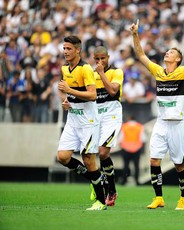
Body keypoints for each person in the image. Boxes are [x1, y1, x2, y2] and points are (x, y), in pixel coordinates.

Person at [130, 20, 184, 210]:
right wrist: (135, 34)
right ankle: (159, 198)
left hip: (177, 124)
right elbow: (140, 54)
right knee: (154, 160)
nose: (167, 53)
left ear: (178, 59)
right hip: (161, 123)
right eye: (167, 51)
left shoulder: (183, 72)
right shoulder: (158, 71)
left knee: (179, 164)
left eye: (171, 52)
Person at [56, 35, 106, 211]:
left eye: (69, 49)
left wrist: (69, 90)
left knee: (88, 160)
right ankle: (95, 179)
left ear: (78, 50)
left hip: (88, 121)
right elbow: (69, 93)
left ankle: (101, 202)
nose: (66, 52)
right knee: (62, 157)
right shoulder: (65, 69)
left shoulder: (85, 69)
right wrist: (67, 100)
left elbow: (92, 95)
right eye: (64, 48)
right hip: (73, 118)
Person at [91, 45, 124, 206]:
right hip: (95, 116)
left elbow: (112, 91)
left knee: (103, 153)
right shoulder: (90, 74)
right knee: (92, 155)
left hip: (112, 115)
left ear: (108, 57)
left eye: (102, 58)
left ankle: (110, 190)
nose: (99, 61)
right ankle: (109, 188)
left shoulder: (116, 72)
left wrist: (101, 73)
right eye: (96, 59)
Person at [119, 115, 146, 186]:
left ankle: (124, 181)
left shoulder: (124, 126)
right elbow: (143, 139)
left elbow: (121, 138)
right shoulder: (140, 126)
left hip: (125, 148)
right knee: (136, 165)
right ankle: (137, 181)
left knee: (125, 165)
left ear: (129, 118)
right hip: (137, 148)